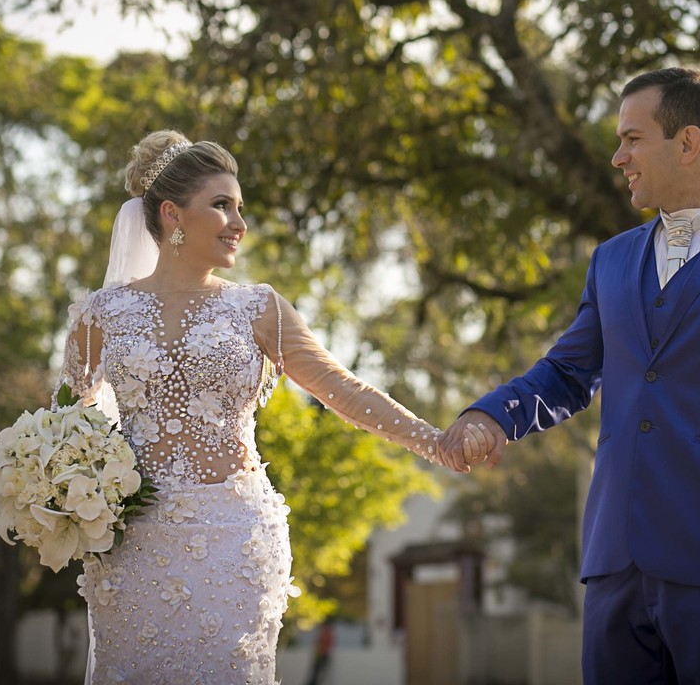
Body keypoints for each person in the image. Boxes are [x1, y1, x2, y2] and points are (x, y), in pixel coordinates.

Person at [440, 68, 700, 684]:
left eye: (632, 138)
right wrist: (493, 414)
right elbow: (568, 372)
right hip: (614, 557)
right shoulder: (612, 259)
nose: (618, 156)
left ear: (688, 142)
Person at [60, 130, 455, 683]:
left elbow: (342, 389)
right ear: (173, 215)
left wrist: (433, 440)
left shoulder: (258, 308)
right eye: (221, 205)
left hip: (234, 536)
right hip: (130, 549)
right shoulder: (99, 314)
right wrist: (55, 495)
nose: (239, 223)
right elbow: (66, 432)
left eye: (240, 207)